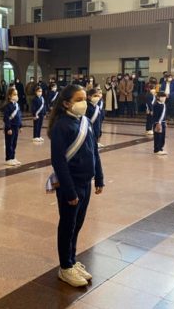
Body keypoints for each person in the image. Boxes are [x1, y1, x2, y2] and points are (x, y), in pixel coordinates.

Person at [48, 84, 101, 288]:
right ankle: (65, 267)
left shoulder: (85, 121)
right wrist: (69, 191)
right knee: (67, 225)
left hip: (86, 182)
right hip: (70, 185)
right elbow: (59, 162)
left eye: (84, 99)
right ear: (66, 103)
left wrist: (100, 177)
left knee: (77, 225)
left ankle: (71, 260)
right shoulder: (62, 126)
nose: (84, 103)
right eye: (78, 100)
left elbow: (94, 151)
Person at [4, 88, 22, 166]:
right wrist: (8, 128)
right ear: (9, 96)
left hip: (16, 127)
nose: (16, 96)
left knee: (14, 143)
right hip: (10, 127)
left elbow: (19, 116)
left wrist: (20, 126)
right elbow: (6, 118)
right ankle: (8, 158)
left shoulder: (17, 105)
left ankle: (13, 157)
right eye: (14, 94)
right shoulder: (7, 106)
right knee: (9, 143)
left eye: (17, 94)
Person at [152, 91, 168, 155]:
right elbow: (155, 115)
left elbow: (164, 115)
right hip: (158, 123)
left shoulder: (163, 104)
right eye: (162, 97)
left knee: (162, 136)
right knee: (158, 136)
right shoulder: (156, 105)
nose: (164, 98)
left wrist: (165, 121)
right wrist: (158, 123)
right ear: (158, 97)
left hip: (163, 122)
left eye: (164, 97)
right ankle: (157, 149)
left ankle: (161, 148)